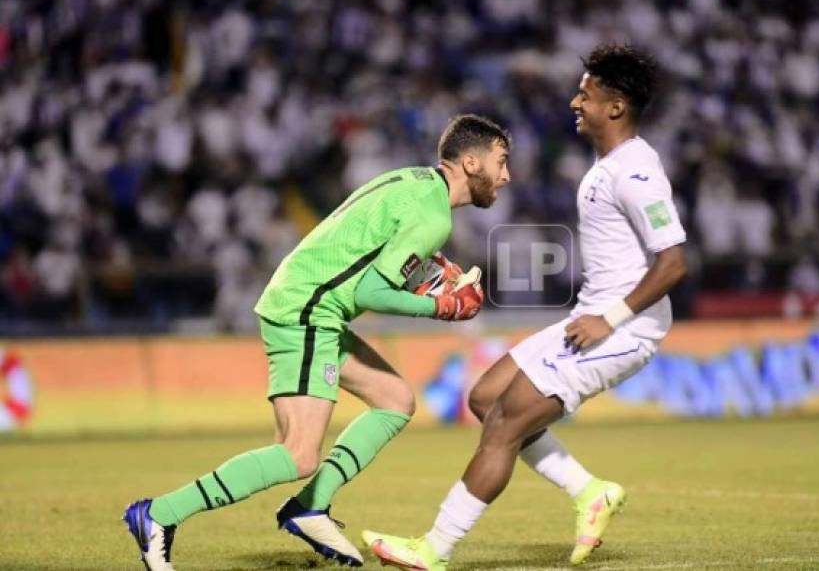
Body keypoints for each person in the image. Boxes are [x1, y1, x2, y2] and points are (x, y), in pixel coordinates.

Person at [122, 114, 511, 570]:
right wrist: (441, 307)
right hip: (307, 311)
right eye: (500, 161)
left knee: (394, 400)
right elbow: (370, 290)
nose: (505, 175)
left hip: (307, 301)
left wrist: (425, 270)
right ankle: (159, 515)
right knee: (298, 453)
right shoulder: (432, 216)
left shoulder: (411, 181)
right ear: (470, 161)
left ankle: (309, 507)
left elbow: (363, 243)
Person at [362, 44, 687, 569]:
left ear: (616, 107)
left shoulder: (636, 171)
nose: (575, 101)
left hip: (622, 328)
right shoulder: (610, 165)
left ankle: (433, 550)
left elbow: (673, 264)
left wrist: (611, 319)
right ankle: (590, 491)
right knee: (487, 397)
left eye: (586, 93)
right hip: (593, 316)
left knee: (505, 424)